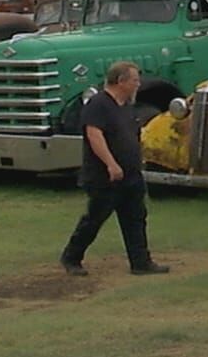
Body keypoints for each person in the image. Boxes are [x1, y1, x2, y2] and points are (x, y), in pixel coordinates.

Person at [61, 61, 168, 276]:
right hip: (105, 175)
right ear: (121, 81)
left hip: (131, 174)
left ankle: (140, 262)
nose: (138, 84)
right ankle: (72, 256)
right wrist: (111, 163)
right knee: (95, 218)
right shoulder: (98, 104)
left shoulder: (126, 106)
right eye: (135, 80)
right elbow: (94, 135)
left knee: (136, 217)